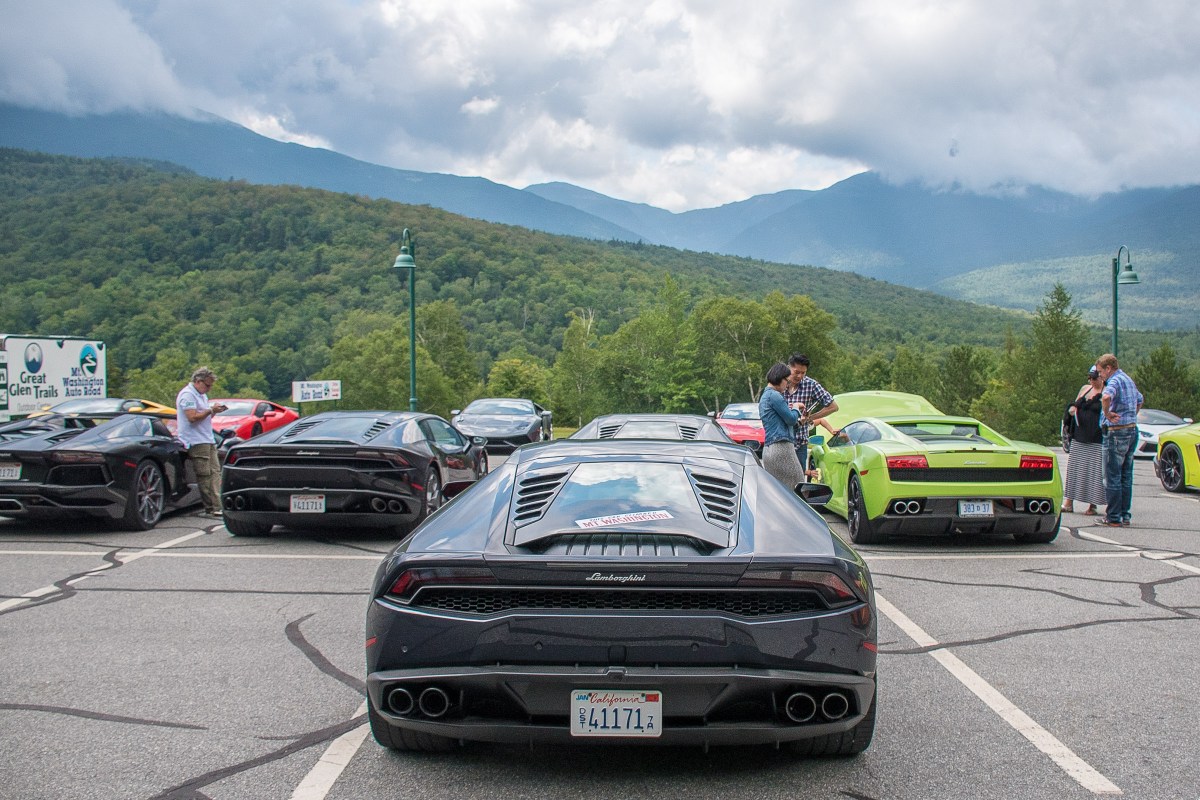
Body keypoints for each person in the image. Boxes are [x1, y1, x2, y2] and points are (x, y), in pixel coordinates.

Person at [1095, 353, 1143, 527]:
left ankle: (1113, 517)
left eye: (1101, 372)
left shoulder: (1114, 381)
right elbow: (1140, 399)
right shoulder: (1128, 380)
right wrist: (1131, 415)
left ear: (1108, 368)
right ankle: (1125, 514)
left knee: (1112, 475)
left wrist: (1107, 413)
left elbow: (1106, 397)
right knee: (1126, 475)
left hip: (1116, 432)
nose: (1100, 376)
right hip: (1131, 430)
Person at [176, 367, 228, 518]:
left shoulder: (201, 395)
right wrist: (210, 410)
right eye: (207, 385)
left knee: (215, 472)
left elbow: (203, 417)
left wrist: (213, 411)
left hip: (207, 438)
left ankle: (217, 504)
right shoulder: (188, 395)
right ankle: (211, 506)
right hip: (196, 440)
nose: (209, 388)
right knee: (205, 475)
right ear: (198, 381)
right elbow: (192, 417)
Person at [784, 354, 839, 477]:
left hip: (799, 442)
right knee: (778, 481)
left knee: (797, 479)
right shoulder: (780, 382)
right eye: (796, 372)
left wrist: (810, 418)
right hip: (780, 440)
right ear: (789, 368)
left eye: (803, 373)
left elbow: (833, 406)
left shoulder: (811, 385)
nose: (799, 376)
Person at [1062, 367, 1105, 515]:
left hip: (1096, 438)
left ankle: (1092, 505)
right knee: (1075, 470)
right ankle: (1069, 502)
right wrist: (1072, 409)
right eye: (1090, 378)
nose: (1092, 381)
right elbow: (1075, 403)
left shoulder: (1106, 392)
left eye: (1095, 378)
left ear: (1101, 378)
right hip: (1079, 436)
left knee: (1094, 472)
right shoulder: (1085, 389)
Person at [759, 362, 806, 491]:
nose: (787, 385)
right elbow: (791, 419)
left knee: (778, 491)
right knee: (798, 486)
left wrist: (799, 421)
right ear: (779, 378)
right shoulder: (774, 395)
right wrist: (796, 408)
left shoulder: (765, 396)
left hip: (769, 449)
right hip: (781, 448)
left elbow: (782, 423)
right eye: (786, 380)